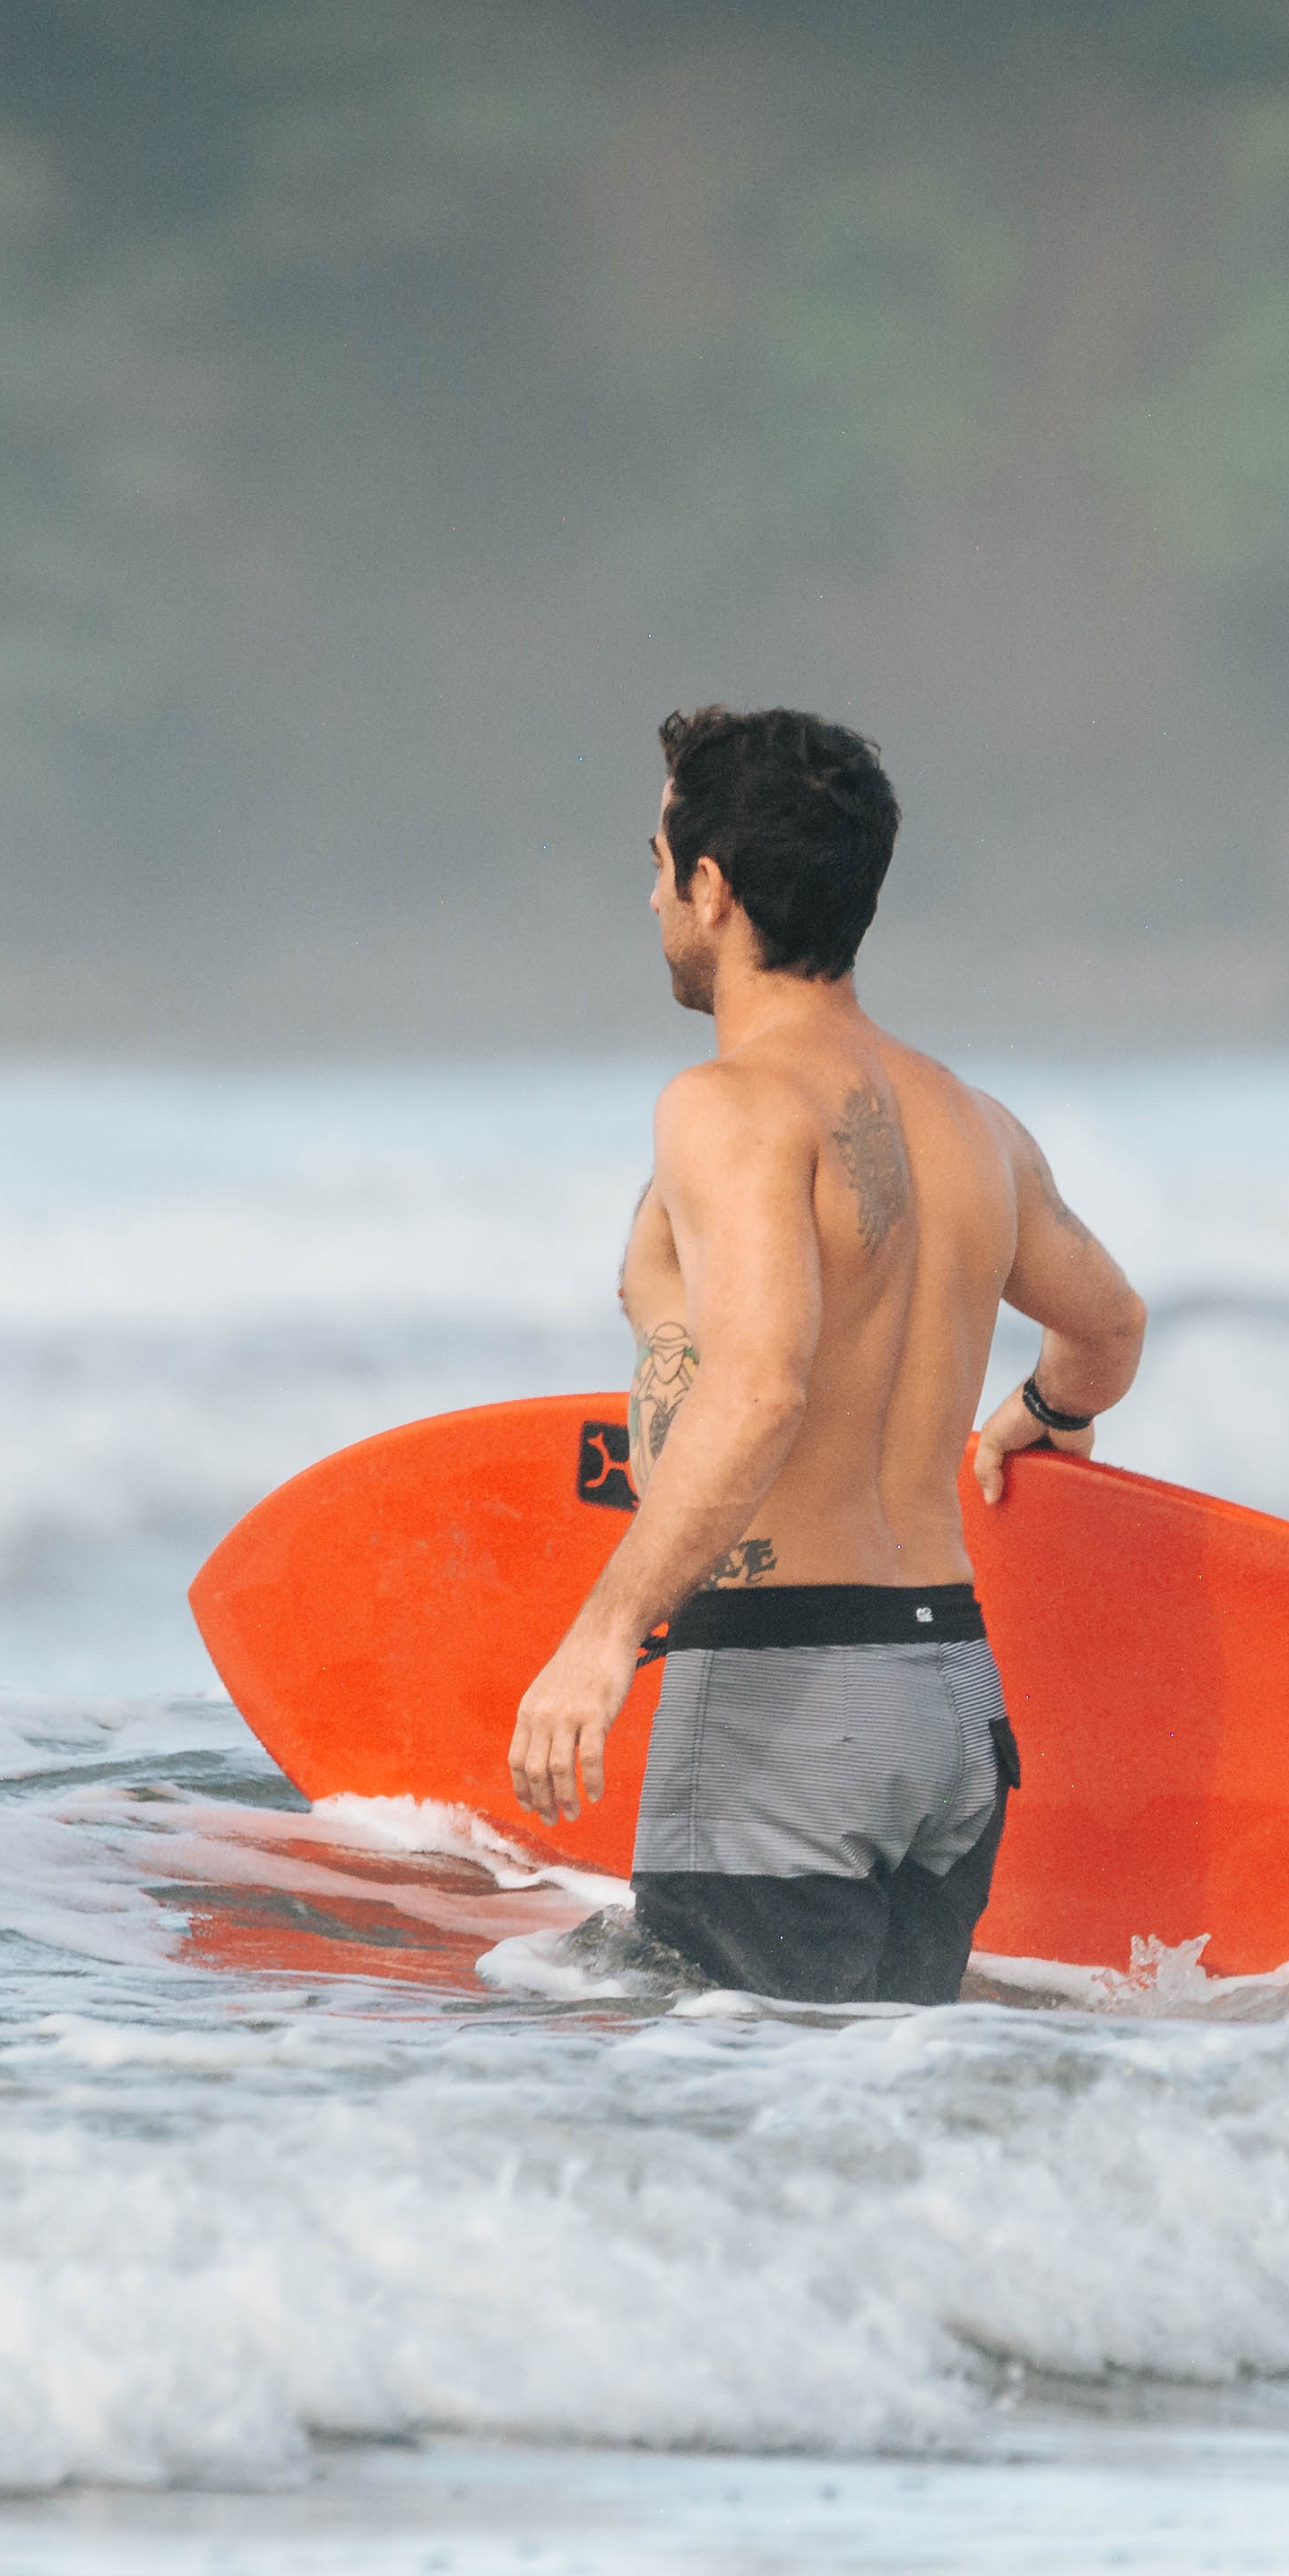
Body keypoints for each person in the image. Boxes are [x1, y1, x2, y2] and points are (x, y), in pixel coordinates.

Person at [506, 705, 1149, 2003]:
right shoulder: (977, 1126)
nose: (650, 899)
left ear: (714, 888)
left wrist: (603, 1636)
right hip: (951, 1707)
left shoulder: (727, 1108)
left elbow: (760, 1386)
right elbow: (1109, 1326)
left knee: (736, 2144)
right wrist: (1045, 1407)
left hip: (785, 1700)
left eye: (658, 864)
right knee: (877, 2145)